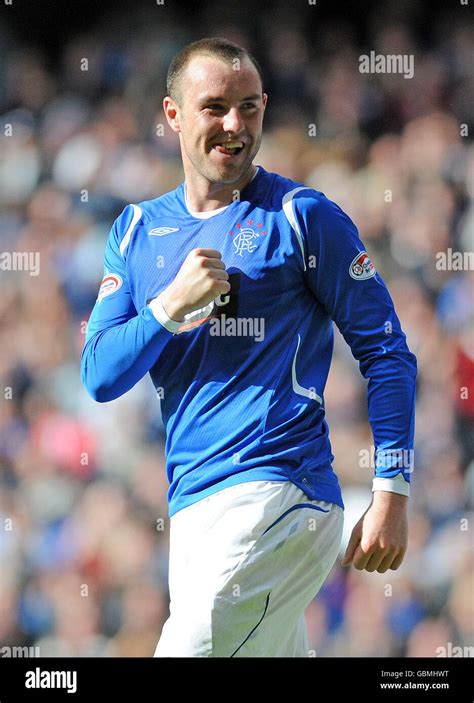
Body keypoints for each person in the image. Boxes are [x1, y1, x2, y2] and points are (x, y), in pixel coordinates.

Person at [81, 37, 417, 657]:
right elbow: (100, 374)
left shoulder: (301, 216)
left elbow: (388, 351)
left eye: (250, 106)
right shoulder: (135, 231)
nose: (235, 125)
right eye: (215, 107)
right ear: (173, 115)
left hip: (279, 493)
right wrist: (167, 309)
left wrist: (392, 490)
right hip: (193, 509)